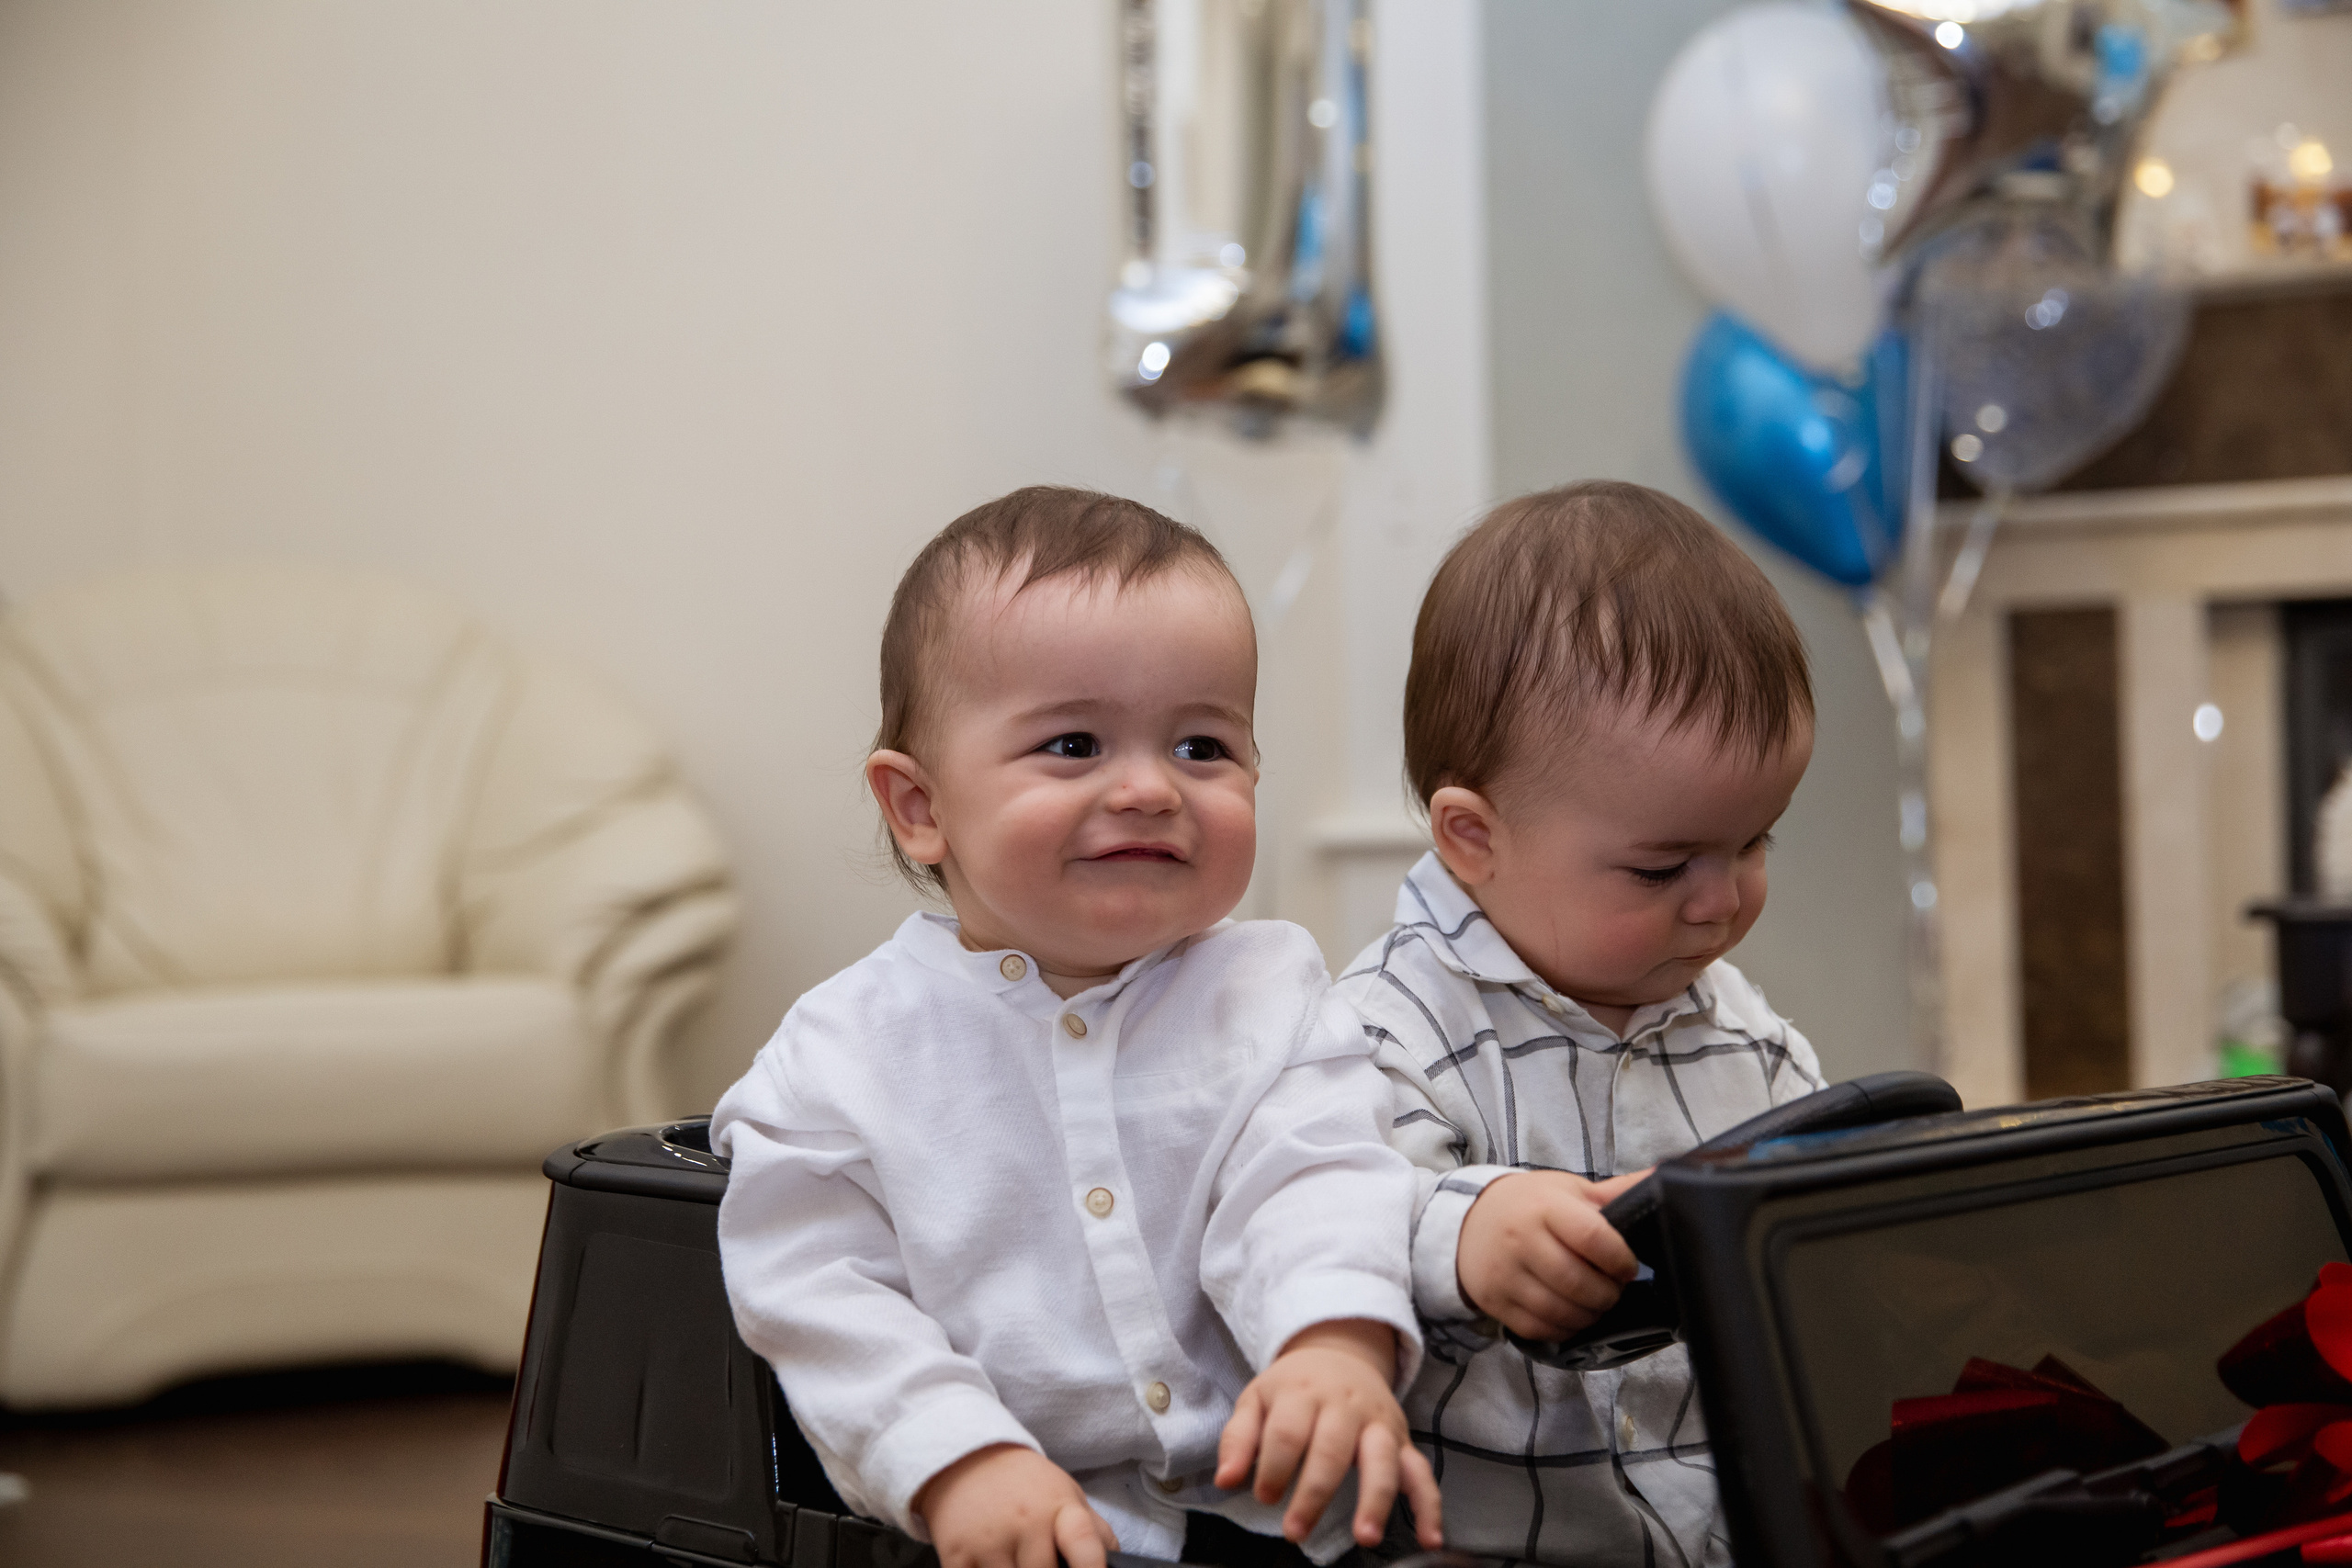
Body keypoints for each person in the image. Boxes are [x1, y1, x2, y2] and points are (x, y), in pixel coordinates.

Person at [711, 487, 1444, 1568]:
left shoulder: (1269, 988)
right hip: (1007, 1523)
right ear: (919, 810)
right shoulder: (844, 1052)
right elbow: (816, 1289)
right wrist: (957, 1459)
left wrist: (1330, 1342)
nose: (1149, 788)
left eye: (1202, 747)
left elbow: (1318, 1173)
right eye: (1072, 744)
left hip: (1277, 1505)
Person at [1334, 480, 1826, 1567]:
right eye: (1661, 866)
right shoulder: (1385, 1030)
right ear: (1474, 837)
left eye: (1753, 845)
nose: (1719, 900)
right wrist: (1463, 1232)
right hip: (1481, 1545)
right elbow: (1316, 1223)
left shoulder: (1750, 1041)